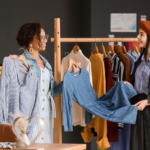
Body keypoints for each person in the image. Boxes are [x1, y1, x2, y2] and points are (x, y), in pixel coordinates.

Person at [9, 22, 81, 143]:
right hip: (30, 115)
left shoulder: (46, 64)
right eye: (41, 37)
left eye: (45, 37)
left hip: (46, 115)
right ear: (30, 39)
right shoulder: (20, 61)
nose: (45, 40)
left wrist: (70, 73)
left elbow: (55, 92)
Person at [124, 21, 150, 150]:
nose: (138, 38)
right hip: (137, 109)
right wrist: (131, 87)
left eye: (141, 34)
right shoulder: (139, 60)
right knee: (136, 145)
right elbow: (140, 86)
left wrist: (148, 101)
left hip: (148, 110)